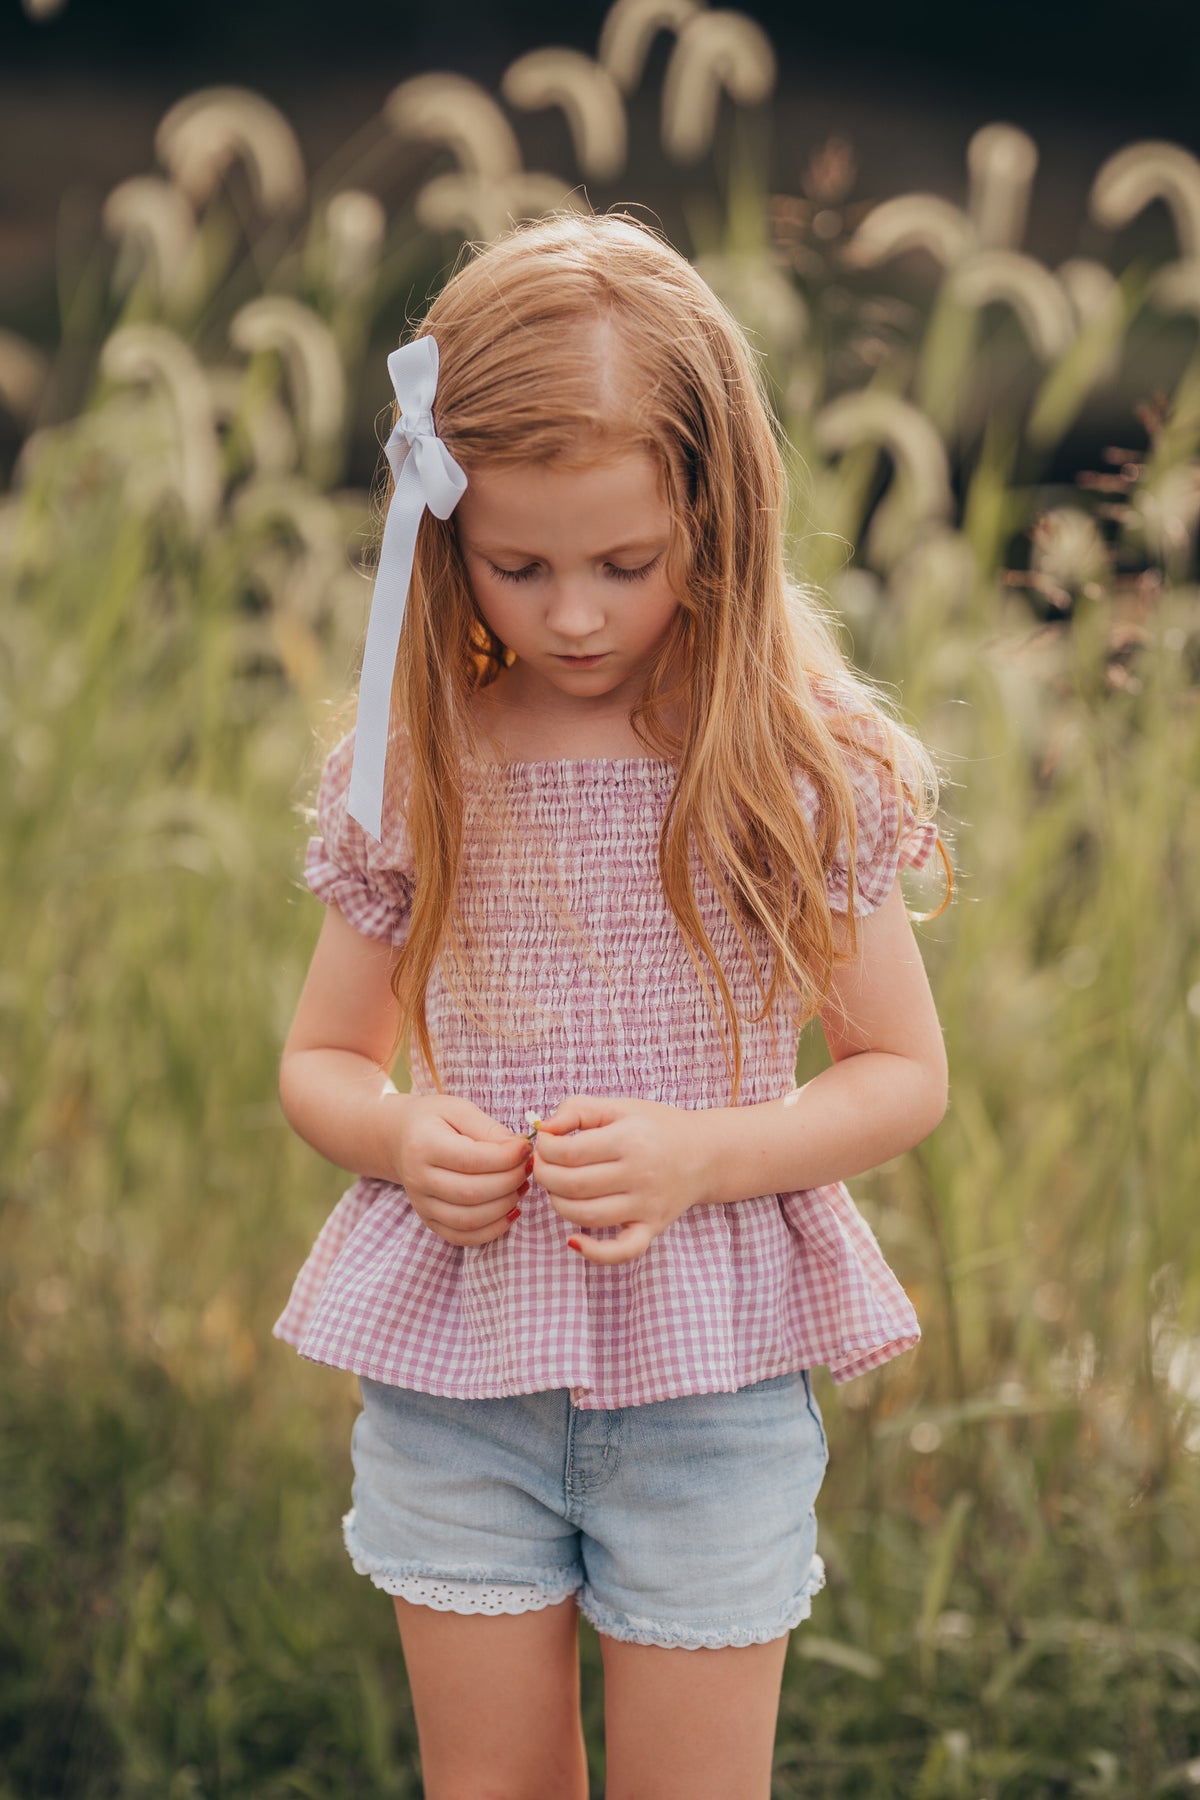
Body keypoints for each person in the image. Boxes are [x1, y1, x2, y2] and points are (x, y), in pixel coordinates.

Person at [273, 209, 951, 1800]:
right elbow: (320, 1060)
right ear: (444, 540)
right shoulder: (416, 767)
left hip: (710, 1391)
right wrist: (395, 1131)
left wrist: (705, 1155)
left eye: (624, 565)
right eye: (519, 565)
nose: (573, 613)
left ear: (715, 523)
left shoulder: (785, 771)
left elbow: (899, 1074)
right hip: (461, 1392)